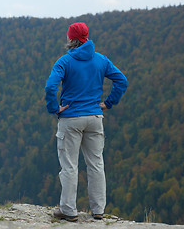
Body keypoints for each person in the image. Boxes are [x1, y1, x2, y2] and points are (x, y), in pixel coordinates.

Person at [45, 22, 128, 222]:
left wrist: (54, 108)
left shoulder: (64, 61)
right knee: (96, 164)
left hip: (71, 119)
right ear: (86, 37)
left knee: (70, 166)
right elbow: (121, 81)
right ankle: (98, 210)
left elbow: (50, 86)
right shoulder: (101, 60)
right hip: (94, 117)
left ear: (70, 39)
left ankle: (68, 211)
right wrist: (108, 103)